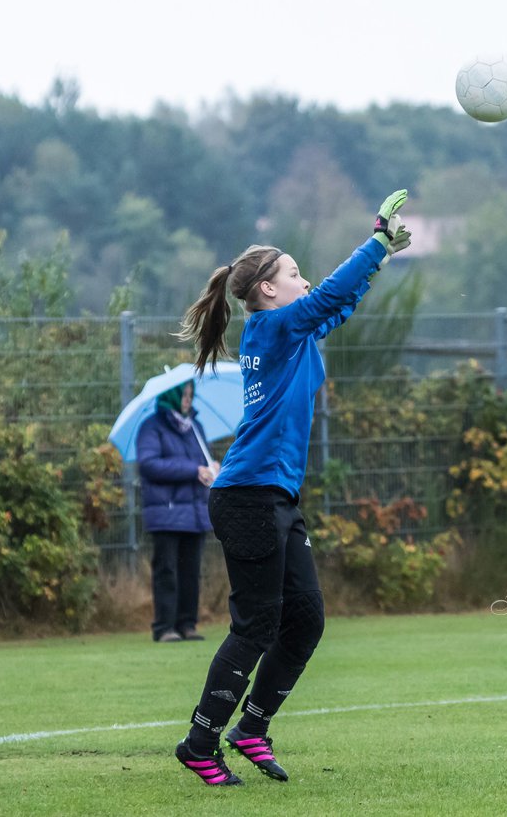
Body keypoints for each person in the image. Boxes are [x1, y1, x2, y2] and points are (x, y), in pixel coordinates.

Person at [171, 189, 412, 786]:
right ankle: (200, 743)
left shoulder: (291, 331)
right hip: (248, 497)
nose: (304, 280)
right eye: (294, 273)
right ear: (269, 291)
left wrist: (378, 260)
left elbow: (336, 306)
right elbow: (328, 297)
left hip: (274, 499)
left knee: (305, 622)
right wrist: (376, 239)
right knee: (255, 626)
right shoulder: (273, 328)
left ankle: (251, 729)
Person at [136, 380, 220, 643]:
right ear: (171, 396)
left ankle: (187, 624)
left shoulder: (196, 427)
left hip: (196, 512)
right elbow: (149, 465)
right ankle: (164, 627)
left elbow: (202, 463)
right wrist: (193, 470)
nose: (187, 399)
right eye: (183, 395)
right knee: (167, 571)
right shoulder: (152, 427)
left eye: (190, 394)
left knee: (191, 571)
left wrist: (211, 467)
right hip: (165, 512)